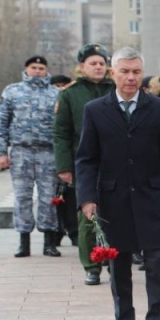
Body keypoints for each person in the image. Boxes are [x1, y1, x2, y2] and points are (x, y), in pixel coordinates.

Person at [75, 47, 160, 320]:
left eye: (136, 71)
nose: (130, 77)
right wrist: (87, 198)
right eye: (124, 71)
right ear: (113, 73)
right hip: (113, 199)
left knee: (157, 260)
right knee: (119, 265)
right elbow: (87, 158)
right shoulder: (95, 110)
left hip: (154, 197)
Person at [53, 43, 115, 285]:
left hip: (115, 162)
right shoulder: (70, 93)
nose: (99, 67)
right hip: (85, 164)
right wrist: (64, 166)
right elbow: (60, 133)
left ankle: (114, 261)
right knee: (88, 216)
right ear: (82, 67)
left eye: (102, 63)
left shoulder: (116, 89)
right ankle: (92, 266)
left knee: (116, 215)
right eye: (93, 63)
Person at [0, 55, 62, 258]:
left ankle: (49, 242)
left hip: (48, 152)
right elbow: (1, 122)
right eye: (34, 67)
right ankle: (23, 241)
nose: (38, 71)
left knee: (48, 197)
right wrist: (0, 153)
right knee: (22, 197)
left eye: (42, 68)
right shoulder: (12, 91)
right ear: (26, 69)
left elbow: (62, 126)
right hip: (21, 151)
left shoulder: (56, 93)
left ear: (47, 70)